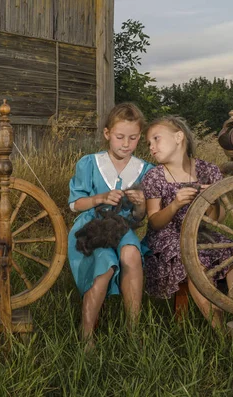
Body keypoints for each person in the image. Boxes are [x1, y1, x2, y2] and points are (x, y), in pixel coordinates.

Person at [142, 115, 233, 327]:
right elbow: (154, 222)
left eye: (156, 139)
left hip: (203, 232)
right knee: (194, 259)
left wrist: (212, 202)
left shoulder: (208, 171)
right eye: (148, 143)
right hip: (167, 237)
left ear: (179, 137)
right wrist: (175, 204)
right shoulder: (154, 176)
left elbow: (217, 220)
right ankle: (218, 327)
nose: (151, 147)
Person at [68, 103, 154, 348]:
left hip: (122, 227)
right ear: (107, 134)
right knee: (104, 264)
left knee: (131, 254)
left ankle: (132, 330)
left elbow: (138, 220)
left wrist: (140, 205)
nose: (125, 144)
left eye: (133, 138)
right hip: (91, 228)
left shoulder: (145, 170)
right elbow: (75, 204)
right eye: (119, 137)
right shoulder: (89, 163)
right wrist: (100, 198)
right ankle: (87, 336)